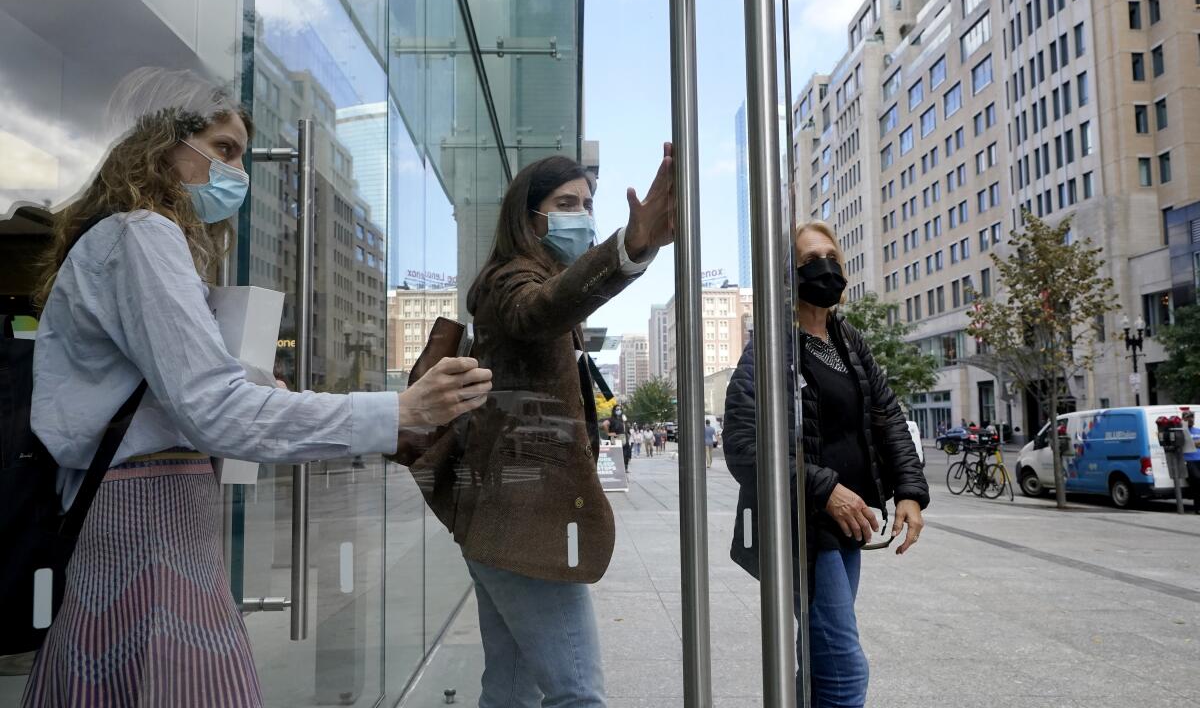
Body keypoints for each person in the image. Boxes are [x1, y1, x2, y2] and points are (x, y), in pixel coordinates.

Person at [21, 68, 492, 707]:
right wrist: (400, 409)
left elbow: (186, 393)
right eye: (223, 149)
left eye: (241, 155)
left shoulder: (128, 239)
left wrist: (251, 384)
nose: (238, 172)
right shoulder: (143, 235)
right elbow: (215, 409)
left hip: (145, 511)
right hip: (146, 518)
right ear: (164, 143)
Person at [456, 148, 674, 706]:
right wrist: (630, 247)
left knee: (509, 688)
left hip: (503, 522)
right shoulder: (512, 281)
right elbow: (540, 309)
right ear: (530, 217)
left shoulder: (523, 279)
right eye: (566, 203)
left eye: (588, 204)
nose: (583, 214)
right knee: (577, 694)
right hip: (528, 524)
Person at [723, 220, 929, 707]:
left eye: (833, 259)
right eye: (811, 262)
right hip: (806, 525)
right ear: (788, 275)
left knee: (818, 654)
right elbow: (742, 443)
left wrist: (910, 492)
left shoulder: (847, 340)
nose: (826, 270)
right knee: (843, 666)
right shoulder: (773, 345)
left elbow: (888, 416)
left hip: (849, 524)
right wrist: (824, 488)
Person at [1183, 410, 1200, 515]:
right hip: (1189, 461)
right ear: (1184, 419)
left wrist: (1194, 443)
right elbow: (1185, 444)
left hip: (1199, 459)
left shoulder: (1198, 430)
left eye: (1192, 417)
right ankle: (1197, 507)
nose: (1191, 419)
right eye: (1188, 417)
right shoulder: (1182, 432)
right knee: (1198, 480)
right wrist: (1196, 443)